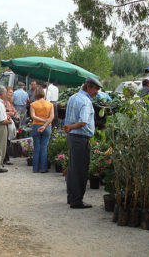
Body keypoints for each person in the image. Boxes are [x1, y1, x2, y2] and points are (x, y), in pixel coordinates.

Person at [63, 77, 102, 209]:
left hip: (73, 138)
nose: (97, 91)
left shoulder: (73, 97)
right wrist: (72, 127)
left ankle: (71, 197)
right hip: (80, 138)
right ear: (88, 87)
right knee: (80, 170)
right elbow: (83, 121)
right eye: (95, 88)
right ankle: (77, 200)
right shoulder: (86, 101)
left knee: (72, 169)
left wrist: (69, 128)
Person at [30, 87, 54, 173]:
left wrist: (41, 120)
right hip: (47, 127)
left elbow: (33, 116)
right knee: (44, 147)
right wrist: (46, 122)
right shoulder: (50, 104)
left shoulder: (33, 104)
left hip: (36, 125)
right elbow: (52, 117)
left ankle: (35, 168)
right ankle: (43, 168)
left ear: (35, 94)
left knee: (37, 147)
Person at [3, 86, 19, 165]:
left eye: (12, 93)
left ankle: (6, 158)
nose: (11, 94)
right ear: (5, 93)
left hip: (10, 123)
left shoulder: (10, 102)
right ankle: (6, 159)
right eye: (10, 92)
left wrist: (15, 115)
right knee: (6, 141)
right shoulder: (3, 102)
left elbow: (15, 111)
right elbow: (2, 112)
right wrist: (11, 113)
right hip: (6, 123)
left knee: (8, 141)